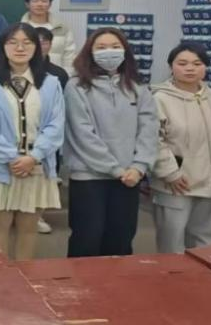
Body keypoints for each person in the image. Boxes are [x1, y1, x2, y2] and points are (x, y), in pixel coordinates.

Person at [63, 27, 159, 258]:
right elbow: (82, 133)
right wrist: (115, 169)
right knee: (87, 238)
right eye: (101, 47)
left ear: (125, 51)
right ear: (90, 52)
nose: (109, 52)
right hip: (89, 176)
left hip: (129, 177)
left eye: (115, 47)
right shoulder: (76, 86)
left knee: (121, 238)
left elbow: (148, 130)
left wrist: (139, 167)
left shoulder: (138, 87)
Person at [0, 23, 65, 260]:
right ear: (2, 47)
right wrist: (12, 158)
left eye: (27, 42)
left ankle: (25, 275)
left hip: (37, 165)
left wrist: (33, 157)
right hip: (1, 166)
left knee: (28, 226)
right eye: (13, 42)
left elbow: (56, 126)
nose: (20, 48)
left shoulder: (51, 83)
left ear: (37, 47)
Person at [151, 43, 211, 254]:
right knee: (172, 248)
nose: (190, 68)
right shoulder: (159, 99)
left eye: (197, 63)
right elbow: (153, 140)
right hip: (176, 186)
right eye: (182, 63)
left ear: (205, 67)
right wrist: (170, 173)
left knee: (206, 248)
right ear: (171, 67)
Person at [33, 26, 69, 234]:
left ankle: (38, 216)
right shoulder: (13, 70)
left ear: (50, 45)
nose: (40, 46)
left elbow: (63, 107)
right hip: (23, 134)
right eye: (35, 41)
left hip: (49, 134)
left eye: (44, 42)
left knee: (45, 177)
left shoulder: (59, 74)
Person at [21, 0, 76, 75]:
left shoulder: (61, 28)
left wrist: (66, 75)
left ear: (50, 4)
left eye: (44, 1)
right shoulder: (20, 29)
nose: (40, 4)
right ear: (27, 4)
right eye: (35, 1)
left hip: (58, 75)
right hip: (28, 76)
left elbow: (69, 55)